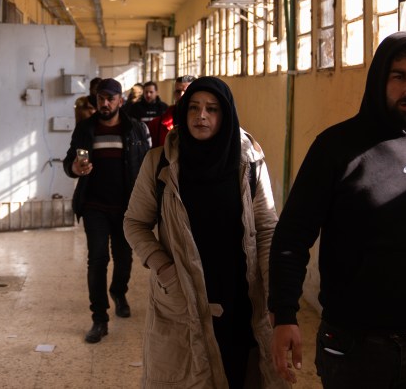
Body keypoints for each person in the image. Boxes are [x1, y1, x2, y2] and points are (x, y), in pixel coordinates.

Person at [268, 31, 406, 387]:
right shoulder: (336, 147)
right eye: (400, 76)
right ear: (379, 80)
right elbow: (292, 238)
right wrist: (285, 314)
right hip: (354, 346)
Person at [124, 76, 289, 388]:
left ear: (225, 115)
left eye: (212, 109)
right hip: (182, 295)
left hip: (241, 296)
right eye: (195, 108)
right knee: (190, 374)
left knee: (242, 371)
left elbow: (267, 228)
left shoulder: (250, 163)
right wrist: (164, 268)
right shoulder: (158, 162)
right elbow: (134, 223)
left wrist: (273, 294)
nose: (202, 116)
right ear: (184, 112)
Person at [64, 78, 151, 343]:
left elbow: (146, 165)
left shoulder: (136, 129)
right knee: (98, 259)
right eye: (101, 98)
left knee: (124, 259)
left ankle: (119, 291)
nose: (105, 103)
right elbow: (70, 160)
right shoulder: (85, 129)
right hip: (95, 206)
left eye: (110, 98)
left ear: (120, 101)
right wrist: (74, 169)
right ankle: (99, 319)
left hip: (127, 207)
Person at [153, 74, 195, 146]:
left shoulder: (203, 122)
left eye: (186, 91)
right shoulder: (157, 124)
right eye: (178, 91)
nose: (181, 95)